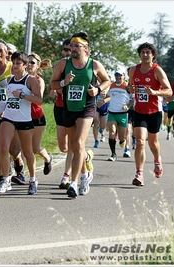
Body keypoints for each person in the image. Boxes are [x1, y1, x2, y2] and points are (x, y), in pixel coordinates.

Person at [50, 32, 111, 198]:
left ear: (86, 49)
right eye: (71, 45)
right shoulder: (63, 64)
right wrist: (64, 82)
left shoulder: (94, 65)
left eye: (77, 46)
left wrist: (98, 90)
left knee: (78, 142)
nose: (73, 48)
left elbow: (107, 81)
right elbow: (53, 84)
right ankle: (85, 175)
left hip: (87, 108)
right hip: (69, 108)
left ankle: (74, 184)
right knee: (76, 147)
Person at [0, 51, 43, 194]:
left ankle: (33, 180)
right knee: (4, 148)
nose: (15, 66)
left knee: (28, 152)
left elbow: (39, 99)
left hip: (24, 120)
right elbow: (9, 97)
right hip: (9, 118)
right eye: (13, 63)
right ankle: (5, 179)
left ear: (25, 65)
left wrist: (23, 95)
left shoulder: (30, 80)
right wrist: (4, 109)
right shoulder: (9, 80)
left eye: (18, 63)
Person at [128, 42, 172, 186]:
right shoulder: (133, 70)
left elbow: (169, 91)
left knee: (153, 143)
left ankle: (157, 159)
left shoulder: (157, 70)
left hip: (154, 111)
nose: (145, 55)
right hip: (139, 111)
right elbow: (130, 87)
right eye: (143, 52)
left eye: (148, 52)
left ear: (153, 55)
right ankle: (139, 174)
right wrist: (131, 89)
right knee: (140, 141)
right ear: (139, 54)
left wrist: (155, 92)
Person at [0, 39, 25, 189]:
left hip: (11, 114)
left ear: (7, 53)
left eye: (1, 50)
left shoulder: (12, 69)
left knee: (12, 148)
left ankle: (17, 157)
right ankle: (2, 177)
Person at [48, 38, 74, 189]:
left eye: (70, 49)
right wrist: (61, 87)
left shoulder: (82, 65)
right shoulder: (60, 65)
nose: (68, 52)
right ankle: (85, 157)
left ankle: (67, 175)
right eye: (65, 49)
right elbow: (53, 86)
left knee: (73, 145)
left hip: (75, 109)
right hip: (60, 107)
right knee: (63, 147)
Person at [27, 53, 53, 175]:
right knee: (21, 147)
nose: (29, 64)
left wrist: (23, 95)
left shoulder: (39, 80)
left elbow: (39, 97)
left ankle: (48, 158)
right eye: (27, 62)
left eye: (32, 62)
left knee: (35, 148)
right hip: (22, 116)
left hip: (37, 117)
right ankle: (19, 173)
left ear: (38, 66)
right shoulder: (21, 78)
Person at [105, 67, 132, 161]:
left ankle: (122, 141)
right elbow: (108, 95)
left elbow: (133, 99)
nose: (118, 77)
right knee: (112, 132)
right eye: (116, 75)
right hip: (112, 112)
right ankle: (113, 154)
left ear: (124, 76)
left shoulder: (127, 86)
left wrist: (128, 106)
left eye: (120, 75)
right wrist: (103, 97)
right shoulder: (111, 85)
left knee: (122, 136)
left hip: (123, 114)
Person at [92, 79, 109, 148]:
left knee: (103, 125)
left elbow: (110, 97)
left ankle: (101, 129)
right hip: (96, 107)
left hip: (104, 108)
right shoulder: (94, 86)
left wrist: (104, 100)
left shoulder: (107, 87)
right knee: (96, 121)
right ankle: (96, 141)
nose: (97, 82)